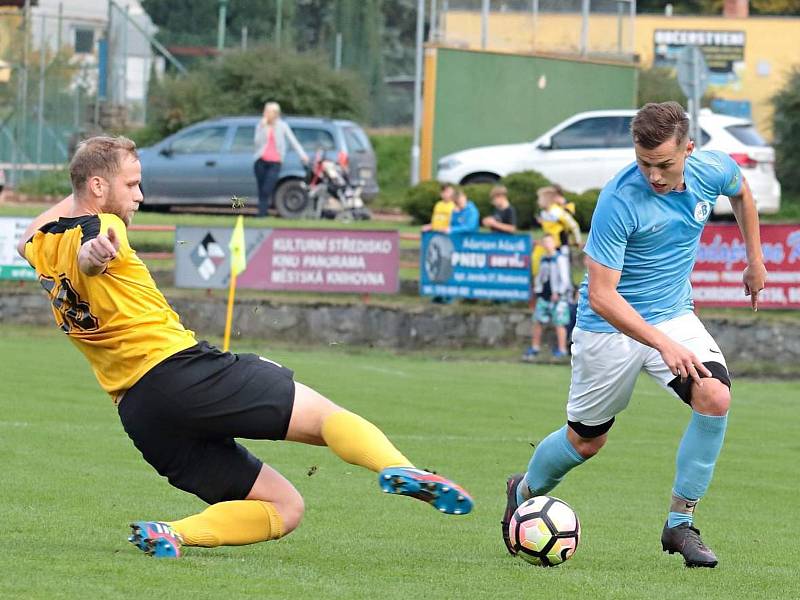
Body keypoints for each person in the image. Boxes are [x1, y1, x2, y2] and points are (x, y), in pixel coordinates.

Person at [18, 136, 473, 559]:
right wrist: (94, 253)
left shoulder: (41, 244)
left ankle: (171, 533)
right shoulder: (105, 226)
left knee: (284, 507)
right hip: (181, 372)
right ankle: (399, 467)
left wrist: (84, 184)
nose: (140, 195)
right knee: (326, 417)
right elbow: (93, 254)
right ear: (100, 187)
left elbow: (42, 238)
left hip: (140, 413)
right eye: (132, 184)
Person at [502, 102, 767, 568]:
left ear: (689, 149)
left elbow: (742, 191)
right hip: (609, 326)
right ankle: (523, 490)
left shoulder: (712, 169)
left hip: (672, 315)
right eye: (645, 164)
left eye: (664, 164)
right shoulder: (619, 199)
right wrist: (661, 344)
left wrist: (755, 260)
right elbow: (603, 296)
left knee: (715, 397)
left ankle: (680, 525)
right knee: (586, 441)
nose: (655, 176)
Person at [253, 101, 309, 217]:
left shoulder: (282, 126)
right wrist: (263, 128)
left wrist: (302, 155)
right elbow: (257, 143)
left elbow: (293, 141)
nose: (265, 113)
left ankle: (264, 211)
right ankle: (262, 214)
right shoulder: (260, 125)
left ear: (274, 113)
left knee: (267, 188)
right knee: (261, 188)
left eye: (268, 111)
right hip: (261, 161)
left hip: (275, 162)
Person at [522, 234, 571, 361]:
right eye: (545, 242)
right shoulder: (544, 258)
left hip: (558, 297)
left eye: (549, 242)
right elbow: (541, 276)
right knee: (538, 321)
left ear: (554, 243)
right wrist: (537, 289)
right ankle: (535, 347)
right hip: (544, 295)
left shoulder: (560, 258)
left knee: (559, 323)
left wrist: (558, 292)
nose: (547, 245)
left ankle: (562, 350)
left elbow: (565, 279)